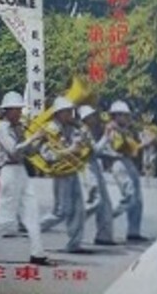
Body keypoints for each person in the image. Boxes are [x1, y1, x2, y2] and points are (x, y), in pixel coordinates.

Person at [0, 91, 52, 265]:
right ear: (7, 111)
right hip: (9, 171)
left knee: (32, 213)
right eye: (16, 109)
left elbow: (28, 152)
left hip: (21, 171)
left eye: (20, 109)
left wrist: (40, 141)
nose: (19, 113)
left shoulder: (18, 128)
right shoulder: (2, 128)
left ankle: (37, 254)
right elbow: (13, 150)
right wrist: (33, 137)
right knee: (7, 216)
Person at [39, 97, 90, 253]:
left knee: (78, 209)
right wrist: (68, 151)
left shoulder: (72, 128)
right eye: (66, 111)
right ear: (58, 113)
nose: (70, 114)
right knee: (61, 211)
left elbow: (81, 146)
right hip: (61, 173)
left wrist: (82, 135)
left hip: (72, 170)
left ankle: (74, 244)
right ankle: (34, 227)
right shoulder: (50, 129)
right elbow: (47, 154)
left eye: (70, 111)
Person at [107, 100, 154, 242]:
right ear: (116, 115)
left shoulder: (124, 130)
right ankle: (106, 217)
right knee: (130, 197)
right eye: (124, 115)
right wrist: (144, 144)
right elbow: (121, 148)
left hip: (127, 163)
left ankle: (133, 232)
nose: (127, 118)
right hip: (120, 163)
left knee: (137, 200)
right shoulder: (113, 130)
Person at [78, 105, 117, 245]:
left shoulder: (90, 131)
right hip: (88, 168)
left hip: (95, 166)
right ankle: (75, 222)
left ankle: (104, 236)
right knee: (95, 201)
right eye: (91, 116)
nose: (94, 118)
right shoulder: (83, 132)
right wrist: (106, 136)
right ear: (85, 119)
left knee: (105, 203)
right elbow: (94, 151)